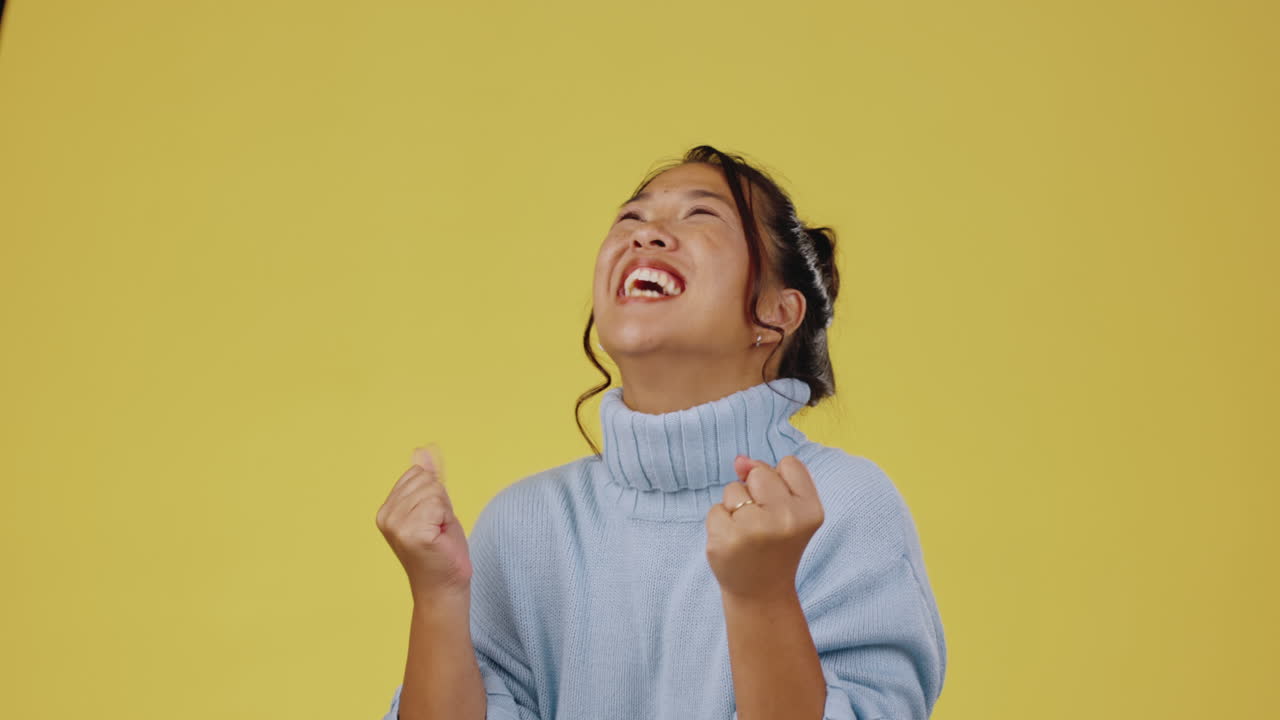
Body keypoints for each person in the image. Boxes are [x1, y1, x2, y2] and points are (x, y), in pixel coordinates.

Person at [375, 145, 947, 720]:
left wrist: (762, 595)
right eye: (632, 217)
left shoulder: (845, 506)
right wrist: (438, 597)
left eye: (701, 215)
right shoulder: (525, 522)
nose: (647, 235)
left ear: (778, 313)